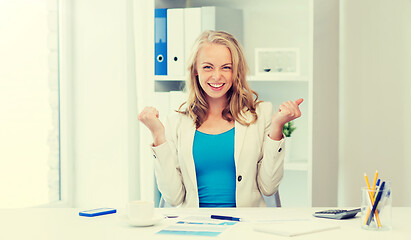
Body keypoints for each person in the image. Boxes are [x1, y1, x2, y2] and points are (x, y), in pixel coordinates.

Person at [139, 30, 303, 207]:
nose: (217, 76)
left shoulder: (261, 114)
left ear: (236, 71)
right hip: (195, 227)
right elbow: (173, 197)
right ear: (195, 70)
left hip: (244, 227)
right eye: (208, 67)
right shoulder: (176, 122)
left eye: (226, 67)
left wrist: (277, 127)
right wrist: (157, 134)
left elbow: (268, 187)